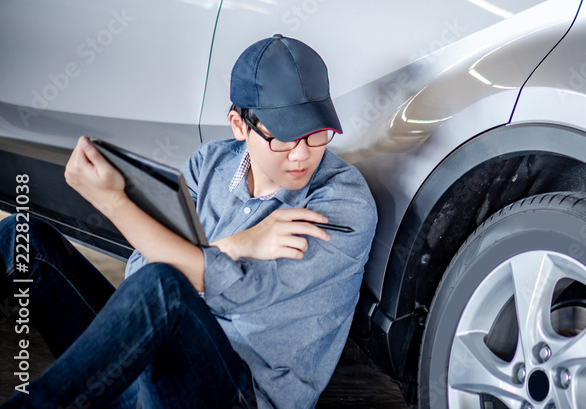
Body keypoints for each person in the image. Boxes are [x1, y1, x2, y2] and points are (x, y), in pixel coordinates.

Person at [0, 34, 377, 408]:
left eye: (316, 134)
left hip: (233, 393)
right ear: (239, 125)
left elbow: (239, 293)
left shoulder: (342, 204)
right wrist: (236, 245)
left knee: (166, 289)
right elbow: (140, 271)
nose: (301, 155)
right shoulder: (208, 163)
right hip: (139, 364)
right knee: (21, 237)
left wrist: (113, 202)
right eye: (283, 138)